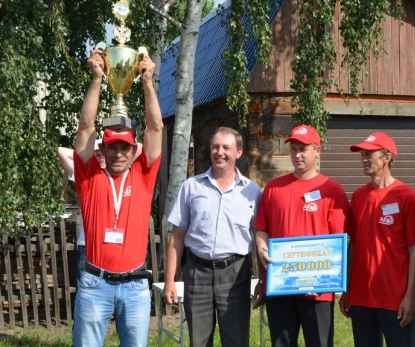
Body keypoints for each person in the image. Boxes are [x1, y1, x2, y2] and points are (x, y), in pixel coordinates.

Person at [71, 48, 163, 347]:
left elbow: (156, 127)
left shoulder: (143, 174)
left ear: (134, 149)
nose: (119, 153)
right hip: (95, 283)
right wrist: (97, 79)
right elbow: (85, 127)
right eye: (113, 147)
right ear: (103, 149)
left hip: (135, 284)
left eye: (125, 147)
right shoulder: (89, 176)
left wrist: (148, 81)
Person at [163, 127, 262, 347]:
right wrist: (170, 280)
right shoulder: (191, 187)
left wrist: (264, 279)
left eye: (226, 147)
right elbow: (176, 238)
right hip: (197, 272)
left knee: (236, 341)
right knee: (198, 342)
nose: (220, 152)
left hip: (235, 274)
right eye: (215, 147)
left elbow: (260, 239)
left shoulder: (252, 191)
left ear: (239, 152)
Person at [253, 124, 351, 347]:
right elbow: (262, 229)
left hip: (317, 290)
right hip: (281, 285)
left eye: (303, 149)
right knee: (282, 343)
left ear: (318, 151)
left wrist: (325, 279)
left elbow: (339, 242)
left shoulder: (332, 189)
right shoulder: (274, 188)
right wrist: (262, 249)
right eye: (294, 149)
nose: (297, 154)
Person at [339, 132, 415, 347]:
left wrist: (410, 296)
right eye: (362, 155)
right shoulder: (358, 196)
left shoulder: (407, 195)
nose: (363, 159)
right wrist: (347, 289)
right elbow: (354, 245)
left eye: (369, 154)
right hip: (361, 297)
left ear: (387, 158)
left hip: (394, 298)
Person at [58, 141, 142, 284]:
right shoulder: (86, 176)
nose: (101, 158)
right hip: (89, 247)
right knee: (88, 297)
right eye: (97, 154)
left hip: (119, 247)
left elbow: (139, 148)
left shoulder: (125, 174)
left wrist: (112, 154)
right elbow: (61, 151)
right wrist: (87, 157)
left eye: (104, 154)